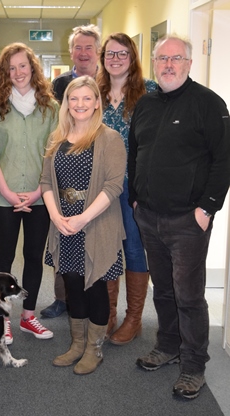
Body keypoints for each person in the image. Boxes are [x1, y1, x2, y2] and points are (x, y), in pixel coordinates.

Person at [128, 35, 230, 399]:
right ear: (154, 63)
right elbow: (134, 152)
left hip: (189, 221)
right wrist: (136, 199)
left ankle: (193, 365)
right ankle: (167, 346)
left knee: (189, 296)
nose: (168, 65)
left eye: (176, 58)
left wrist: (207, 209)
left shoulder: (208, 103)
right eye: (162, 59)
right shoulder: (146, 103)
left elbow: (223, 160)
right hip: (150, 216)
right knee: (164, 290)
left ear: (189, 63)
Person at [41, 76, 126, 375]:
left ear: (96, 103)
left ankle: (94, 349)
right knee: (73, 284)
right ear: (66, 103)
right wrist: (55, 216)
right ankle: (77, 344)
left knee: (96, 285)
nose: (80, 104)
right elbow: (46, 182)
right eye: (74, 99)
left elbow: (114, 186)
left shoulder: (109, 138)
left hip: (96, 223)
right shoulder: (56, 138)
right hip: (63, 223)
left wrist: (83, 218)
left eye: (87, 98)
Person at [0, 42, 59, 344]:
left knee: (32, 257)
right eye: (11, 68)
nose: (17, 73)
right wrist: (8, 192)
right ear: (5, 72)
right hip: (3, 198)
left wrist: (38, 191)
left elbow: (53, 153)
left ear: (33, 68)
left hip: (41, 197)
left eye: (22, 66)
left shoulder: (50, 107)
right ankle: (2, 320)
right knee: (2, 258)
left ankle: (29, 316)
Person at [96, 33, 157, 344]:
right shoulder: (94, 92)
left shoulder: (150, 93)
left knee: (133, 247)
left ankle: (134, 318)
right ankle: (108, 314)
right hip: (101, 185)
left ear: (132, 58)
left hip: (134, 187)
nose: (115, 59)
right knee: (106, 248)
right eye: (110, 53)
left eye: (122, 54)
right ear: (102, 57)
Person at [41, 24, 102, 319]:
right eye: (78, 47)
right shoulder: (60, 83)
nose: (83, 52)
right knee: (63, 241)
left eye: (89, 47)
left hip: (99, 173)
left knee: (97, 248)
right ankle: (62, 299)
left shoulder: (107, 81)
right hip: (67, 170)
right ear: (71, 52)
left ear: (97, 50)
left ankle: (103, 308)